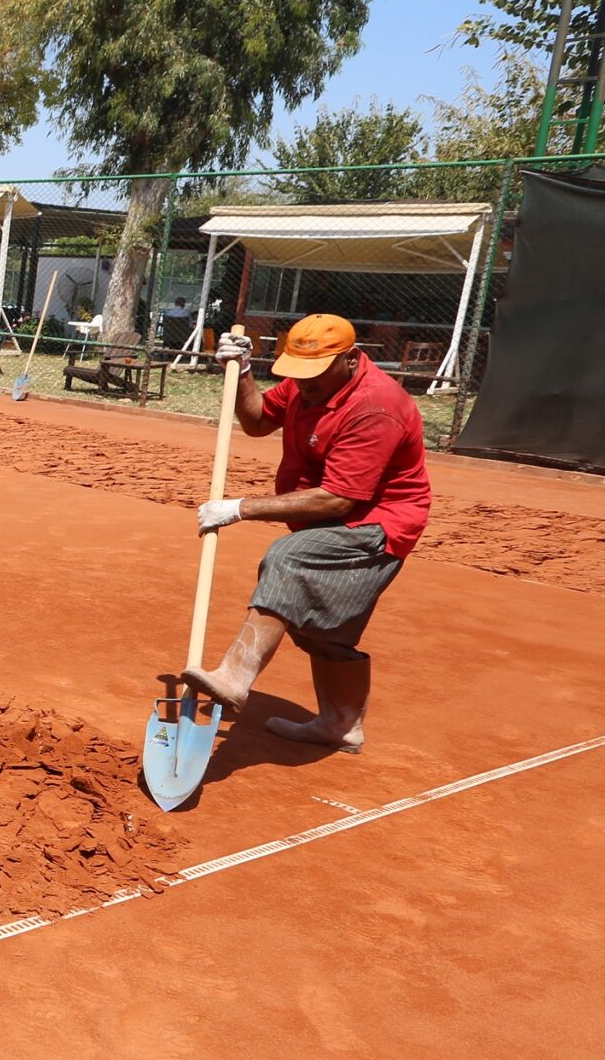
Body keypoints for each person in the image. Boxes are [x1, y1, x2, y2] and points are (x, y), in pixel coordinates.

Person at [180, 313, 431, 752]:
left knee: (290, 558)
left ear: (350, 360)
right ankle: (341, 725)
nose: (304, 384)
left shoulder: (376, 406)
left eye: (314, 374)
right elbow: (258, 420)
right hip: (333, 518)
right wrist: (239, 374)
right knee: (322, 630)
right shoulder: (308, 382)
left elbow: (339, 498)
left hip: (376, 523)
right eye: (297, 373)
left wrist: (240, 508)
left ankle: (235, 675)